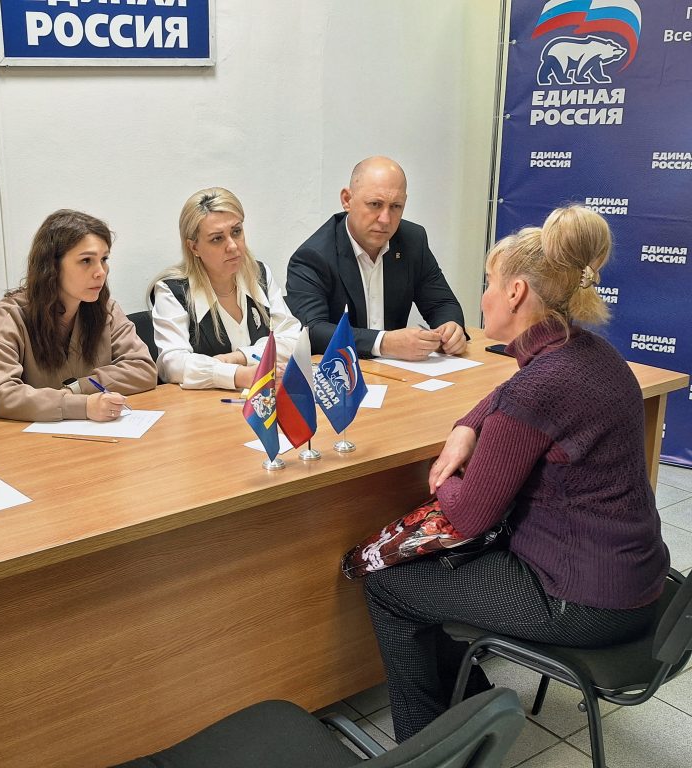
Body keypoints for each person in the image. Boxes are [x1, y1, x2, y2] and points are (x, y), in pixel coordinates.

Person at [362, 205, 669, 742]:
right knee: (447, 570)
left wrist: (444, 477)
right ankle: (472, 707)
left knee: (390, 583)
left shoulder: (538, 389)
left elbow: (469, 516)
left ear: (516, 293)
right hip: (644, 582)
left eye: (489, 283)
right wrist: (469, 424)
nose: (482, 296)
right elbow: (514, 390)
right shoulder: (593, 353)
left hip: (583, 602)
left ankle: (428, 745)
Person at [0, 209, 156, 422]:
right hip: (10, 434)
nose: (101, 272)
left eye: (104, 259)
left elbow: (143, 369)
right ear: (52, 266)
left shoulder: (106, 308)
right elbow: (1, 395)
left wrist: (78, 388)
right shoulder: (10, 315)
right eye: (86, 260)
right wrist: (82, 406)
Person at [286, 156, 467, 359]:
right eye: (375, 204)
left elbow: (442, 303)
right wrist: (384, 342)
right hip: (342, 371)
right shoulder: (312, 257)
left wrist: (450, 328)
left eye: (396, 206)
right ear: (347, 199)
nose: (385, 219)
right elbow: (312, 330)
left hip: (399, 371)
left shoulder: (412, 241)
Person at [151, 187, 301, 390]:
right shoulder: (173, 291)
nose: (232, 246)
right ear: (194, 247)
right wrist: (238, 375)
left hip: (264, 398)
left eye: (236, 232)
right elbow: (172, 364)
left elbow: (293, 339)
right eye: (217, 239)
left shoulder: (259, 274)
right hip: (205, 405)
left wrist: (240, 357)